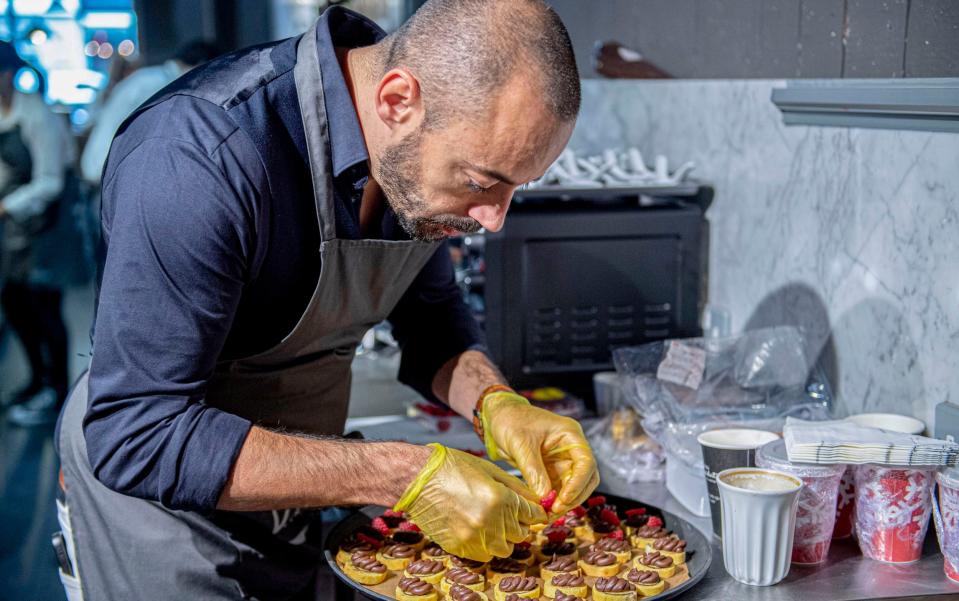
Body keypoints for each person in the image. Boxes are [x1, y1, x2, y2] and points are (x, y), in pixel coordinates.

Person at [56, 2, 597, 599]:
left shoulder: (410, 164)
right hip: (163, 510)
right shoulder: (197, 157)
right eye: (481, 181)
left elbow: (434, 325)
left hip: (298, 489)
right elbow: (138, 433)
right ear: (397, 101)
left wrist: (496, 403)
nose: (494, 218)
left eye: (518, 186)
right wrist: (403, 475)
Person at [0, 41, 76, 426]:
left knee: (46, 309)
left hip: (47, 227)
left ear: (9, 74)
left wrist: (6, 205)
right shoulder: (4, 113)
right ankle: (36, 381)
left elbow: (50, 181)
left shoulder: (37, 115)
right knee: (17, 306)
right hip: (16, 231)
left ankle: (58, 391)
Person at [79, 40, 219, 185]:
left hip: (102, 167)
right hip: (110, 171)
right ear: (201, 65)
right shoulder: (160, 85)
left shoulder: (148, 77)